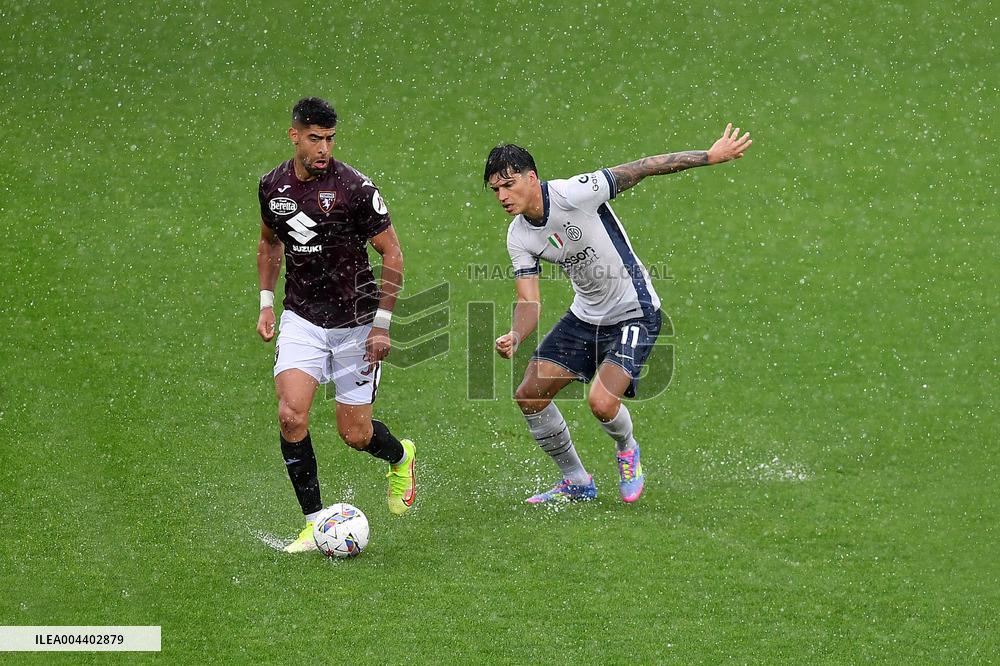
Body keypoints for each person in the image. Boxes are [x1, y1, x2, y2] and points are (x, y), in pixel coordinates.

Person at [486, 124, 752, 504]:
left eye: (508, 185)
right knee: (529, 395)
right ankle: (576, 481)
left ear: (532, 178)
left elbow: (641, 167)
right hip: (586, 316)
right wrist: (516, 334)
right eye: (495, 189)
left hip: (635, 312)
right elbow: (529, 301)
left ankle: (627, 449)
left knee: (602, 402)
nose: (502, 196)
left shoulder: (575, 192)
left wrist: (708, 156)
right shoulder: (519, 236)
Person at [256, 97, 416, 552]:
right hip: (302, 318)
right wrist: (267, 302)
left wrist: (382, 325)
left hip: (356, 324)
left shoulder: (355, 189)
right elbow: (269, 245)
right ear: (294, 136)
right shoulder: (272, 187)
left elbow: (394, 254)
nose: (323, 148)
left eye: (329, 139)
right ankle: (312, 521)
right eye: (314, 138)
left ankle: (400, 456)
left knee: (355, 435)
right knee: (291, 415)